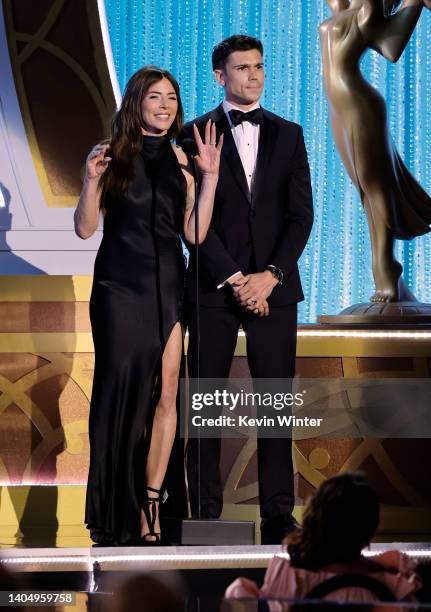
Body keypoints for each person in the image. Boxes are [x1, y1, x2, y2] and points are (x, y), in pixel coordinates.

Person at [74, 66, 223, 545]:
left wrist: (210, 178)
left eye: (172, 98)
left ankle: (152, 504)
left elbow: (194, 234)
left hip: (167, 285)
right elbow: (83, 227)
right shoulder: (110, 155)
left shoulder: (182, 160)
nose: (166, 106)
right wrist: (88, 182)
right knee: (121, 394)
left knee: (166, 396)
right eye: (156, 97)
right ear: (136, 102)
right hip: (119, 286)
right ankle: (113, 505)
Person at [178, 35, 313, 544]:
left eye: (258, 67)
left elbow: (302, 216)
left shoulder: (291, 134)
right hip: (214, 287)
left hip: (275, 289)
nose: (253, 76)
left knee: (275, 403)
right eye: (241, 68)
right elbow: (190, 221)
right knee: (205, 401)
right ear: (220, 76)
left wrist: (270, 275)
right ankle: (206, 515)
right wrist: (235, 277)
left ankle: (280, 514)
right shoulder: (193, 134)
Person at [320, 0, 431, 303]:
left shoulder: (366, 10)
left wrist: (413, 4)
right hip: (339, 108)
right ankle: (386, 269)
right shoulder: (341, 9)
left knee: (375, 186)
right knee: (364, 188)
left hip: (358, 105)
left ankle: (385, 270)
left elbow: (390, 50)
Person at [225, 473, 422, 603]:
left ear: (314, 519)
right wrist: (375, 563)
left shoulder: (290, 581)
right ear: (370, 528)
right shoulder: (395, 586)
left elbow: (237, 593)